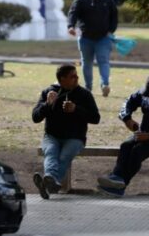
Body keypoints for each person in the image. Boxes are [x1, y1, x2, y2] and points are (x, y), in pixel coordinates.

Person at [97, 74, 149, 197]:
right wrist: (127, 118)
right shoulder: (145, 93)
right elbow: (128, 102)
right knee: (126, 145)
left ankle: (120, 185)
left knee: (138, 151)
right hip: (143, 134)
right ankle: (116, 178)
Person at [32, 64, 100, 199]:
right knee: (51, 152)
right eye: (72, 76)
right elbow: (35, 117)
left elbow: (95, 118)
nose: (77, 78)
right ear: (62, 79)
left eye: (76, 75)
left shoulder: (84, 94)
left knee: (65, 155)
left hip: (75, 137)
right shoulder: (49, 92)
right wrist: (47, 104)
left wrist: (76, 109)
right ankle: (51, 181)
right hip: (52, 136)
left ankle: (49, 181)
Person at [67, 0, 118, 97]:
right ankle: (88, 87)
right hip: (86, 38)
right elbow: (72, 13)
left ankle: (104, 85)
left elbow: (114, 17)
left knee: (104, 61)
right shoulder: (81, 0)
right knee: (87, 63)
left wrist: (111, 30)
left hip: (103, 38)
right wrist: (71, 26)